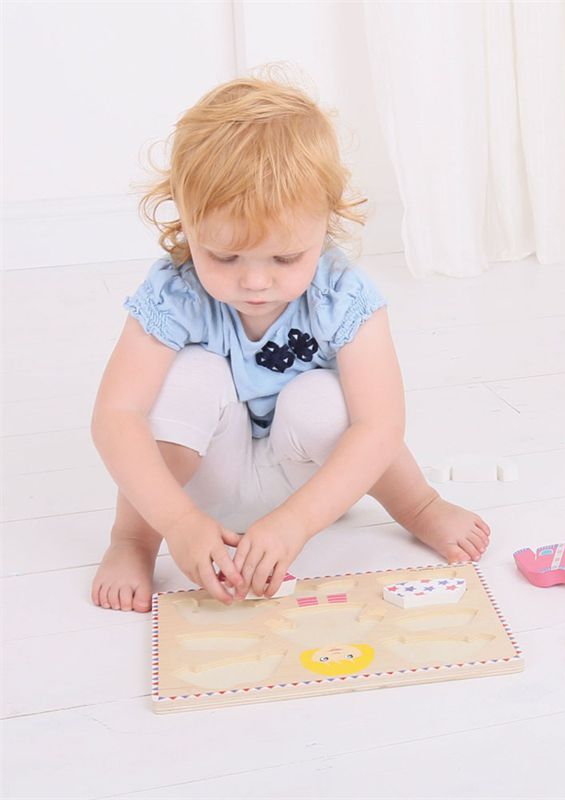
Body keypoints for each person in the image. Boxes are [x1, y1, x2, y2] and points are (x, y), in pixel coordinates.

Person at [91, 72, 490, 613]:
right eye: (224, 256)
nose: (255, 282)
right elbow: (116, 416)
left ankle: (420, 507)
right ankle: (132, 540)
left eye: (285, 258)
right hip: (206, 482)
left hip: (310, 484)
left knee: (326, 399)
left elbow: (381, 427)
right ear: (186, 223)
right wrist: (179, 522)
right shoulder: (176, 293)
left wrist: (296, 522)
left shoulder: (341, 297)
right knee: (190, 375)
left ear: (326, 222)